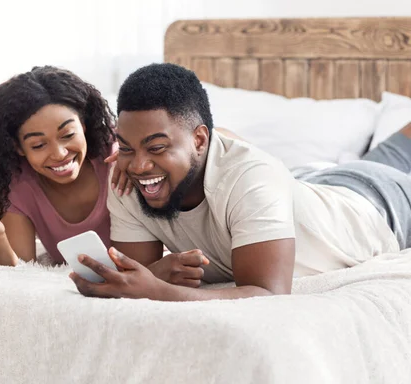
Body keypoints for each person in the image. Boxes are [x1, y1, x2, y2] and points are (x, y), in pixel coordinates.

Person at [69, 62, 411, 301]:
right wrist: (154, 274)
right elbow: (138, 276)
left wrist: (161, 292)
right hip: (306, 181)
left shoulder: (252, 176)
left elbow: (267, 294)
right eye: (126, 148)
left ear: (200, 140)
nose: (139, 165)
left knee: (391, 157)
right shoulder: (129, 180)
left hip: (376, 203)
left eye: (156, 147)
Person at [0, 66, 132, 266]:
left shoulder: (118, 155)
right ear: (19, 148)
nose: (59, 154)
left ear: (83, 126)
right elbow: (18, 273)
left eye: (68, 135)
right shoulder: (19, 185)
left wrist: (134, 157)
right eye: (39, 145)